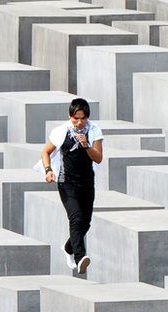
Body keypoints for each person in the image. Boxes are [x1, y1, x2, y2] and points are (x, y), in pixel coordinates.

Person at [39, 98, 103, 274]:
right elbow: (46, 151)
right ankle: (80, 257)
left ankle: (68, 248)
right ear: (70, 116)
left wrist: (86, 145)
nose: (80, 122)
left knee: (86, 223)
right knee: (75, 218)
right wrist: (48, 170)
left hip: (87, 182)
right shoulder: (62, 131)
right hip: (67, 183)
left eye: (83, 118)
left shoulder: (94, 131)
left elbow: (98, 157)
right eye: (76, 118)